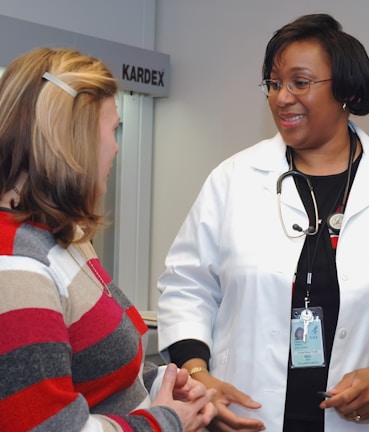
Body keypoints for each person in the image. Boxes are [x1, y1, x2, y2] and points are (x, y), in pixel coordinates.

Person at [157, 13, 369, 432]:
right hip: (245, 416)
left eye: (299, 83)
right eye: (273, 83)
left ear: (345, 89)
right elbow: (186, 288)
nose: (281, 97)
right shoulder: (233, 179)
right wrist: (199, 378)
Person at [0, 47, 217, 432]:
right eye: (112, 128)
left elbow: (96, 370)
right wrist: (166, 420)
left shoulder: (65, 239)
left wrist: (160, 383)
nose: (116, 146)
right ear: (75, 138)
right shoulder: (16, 267)